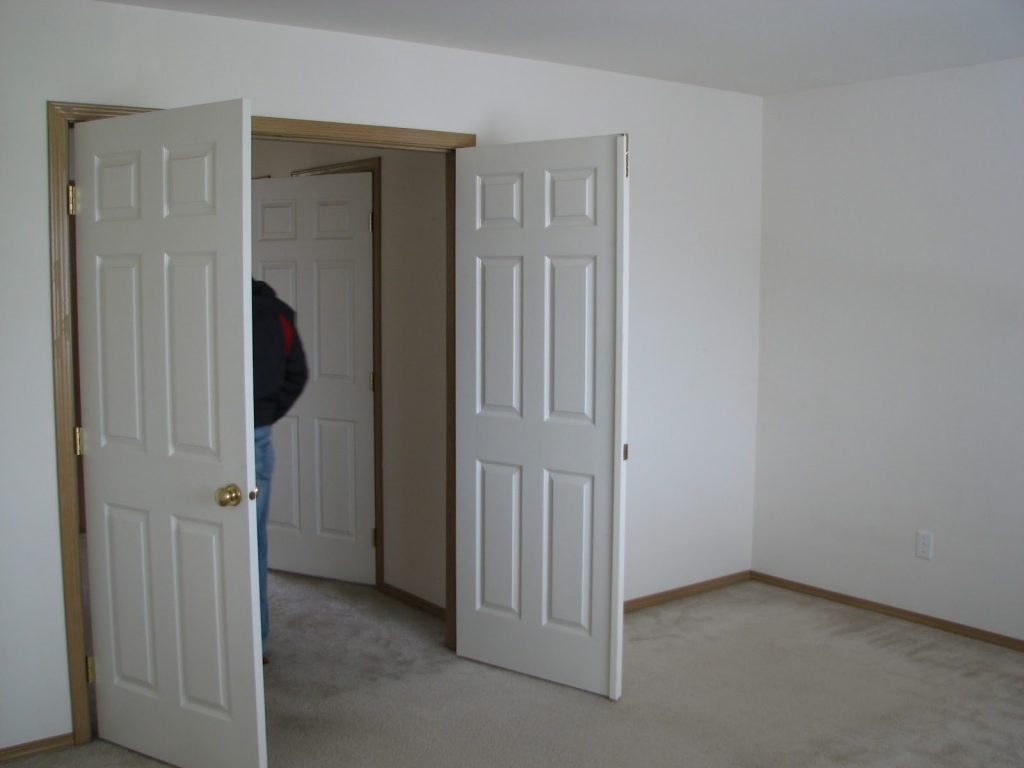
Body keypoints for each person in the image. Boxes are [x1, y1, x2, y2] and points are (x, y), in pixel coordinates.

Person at [251, 279, 308, 661]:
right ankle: (257, 646)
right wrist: (266, 415)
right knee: (251, 543)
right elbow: (297, 374)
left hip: (202, 434)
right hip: (257, 433)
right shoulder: (276, 312)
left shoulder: (205, 303)